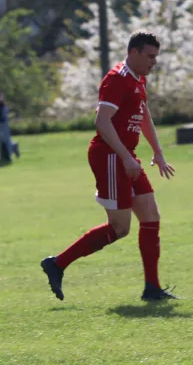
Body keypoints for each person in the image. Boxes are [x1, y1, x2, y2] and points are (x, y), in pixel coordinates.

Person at [40, 30, 177, 302]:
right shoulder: (117, 79)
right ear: (133, 52)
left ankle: (152, 288)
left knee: (151, 217)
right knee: (119, 228)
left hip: (126, 156)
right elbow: (102, 122)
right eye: (149, 56)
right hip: (110, 157)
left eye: (156, 56)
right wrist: (125, 157)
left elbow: (143, 113)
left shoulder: (138, 80)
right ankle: (57, 264)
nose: (154, 61)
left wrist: (158, 151)